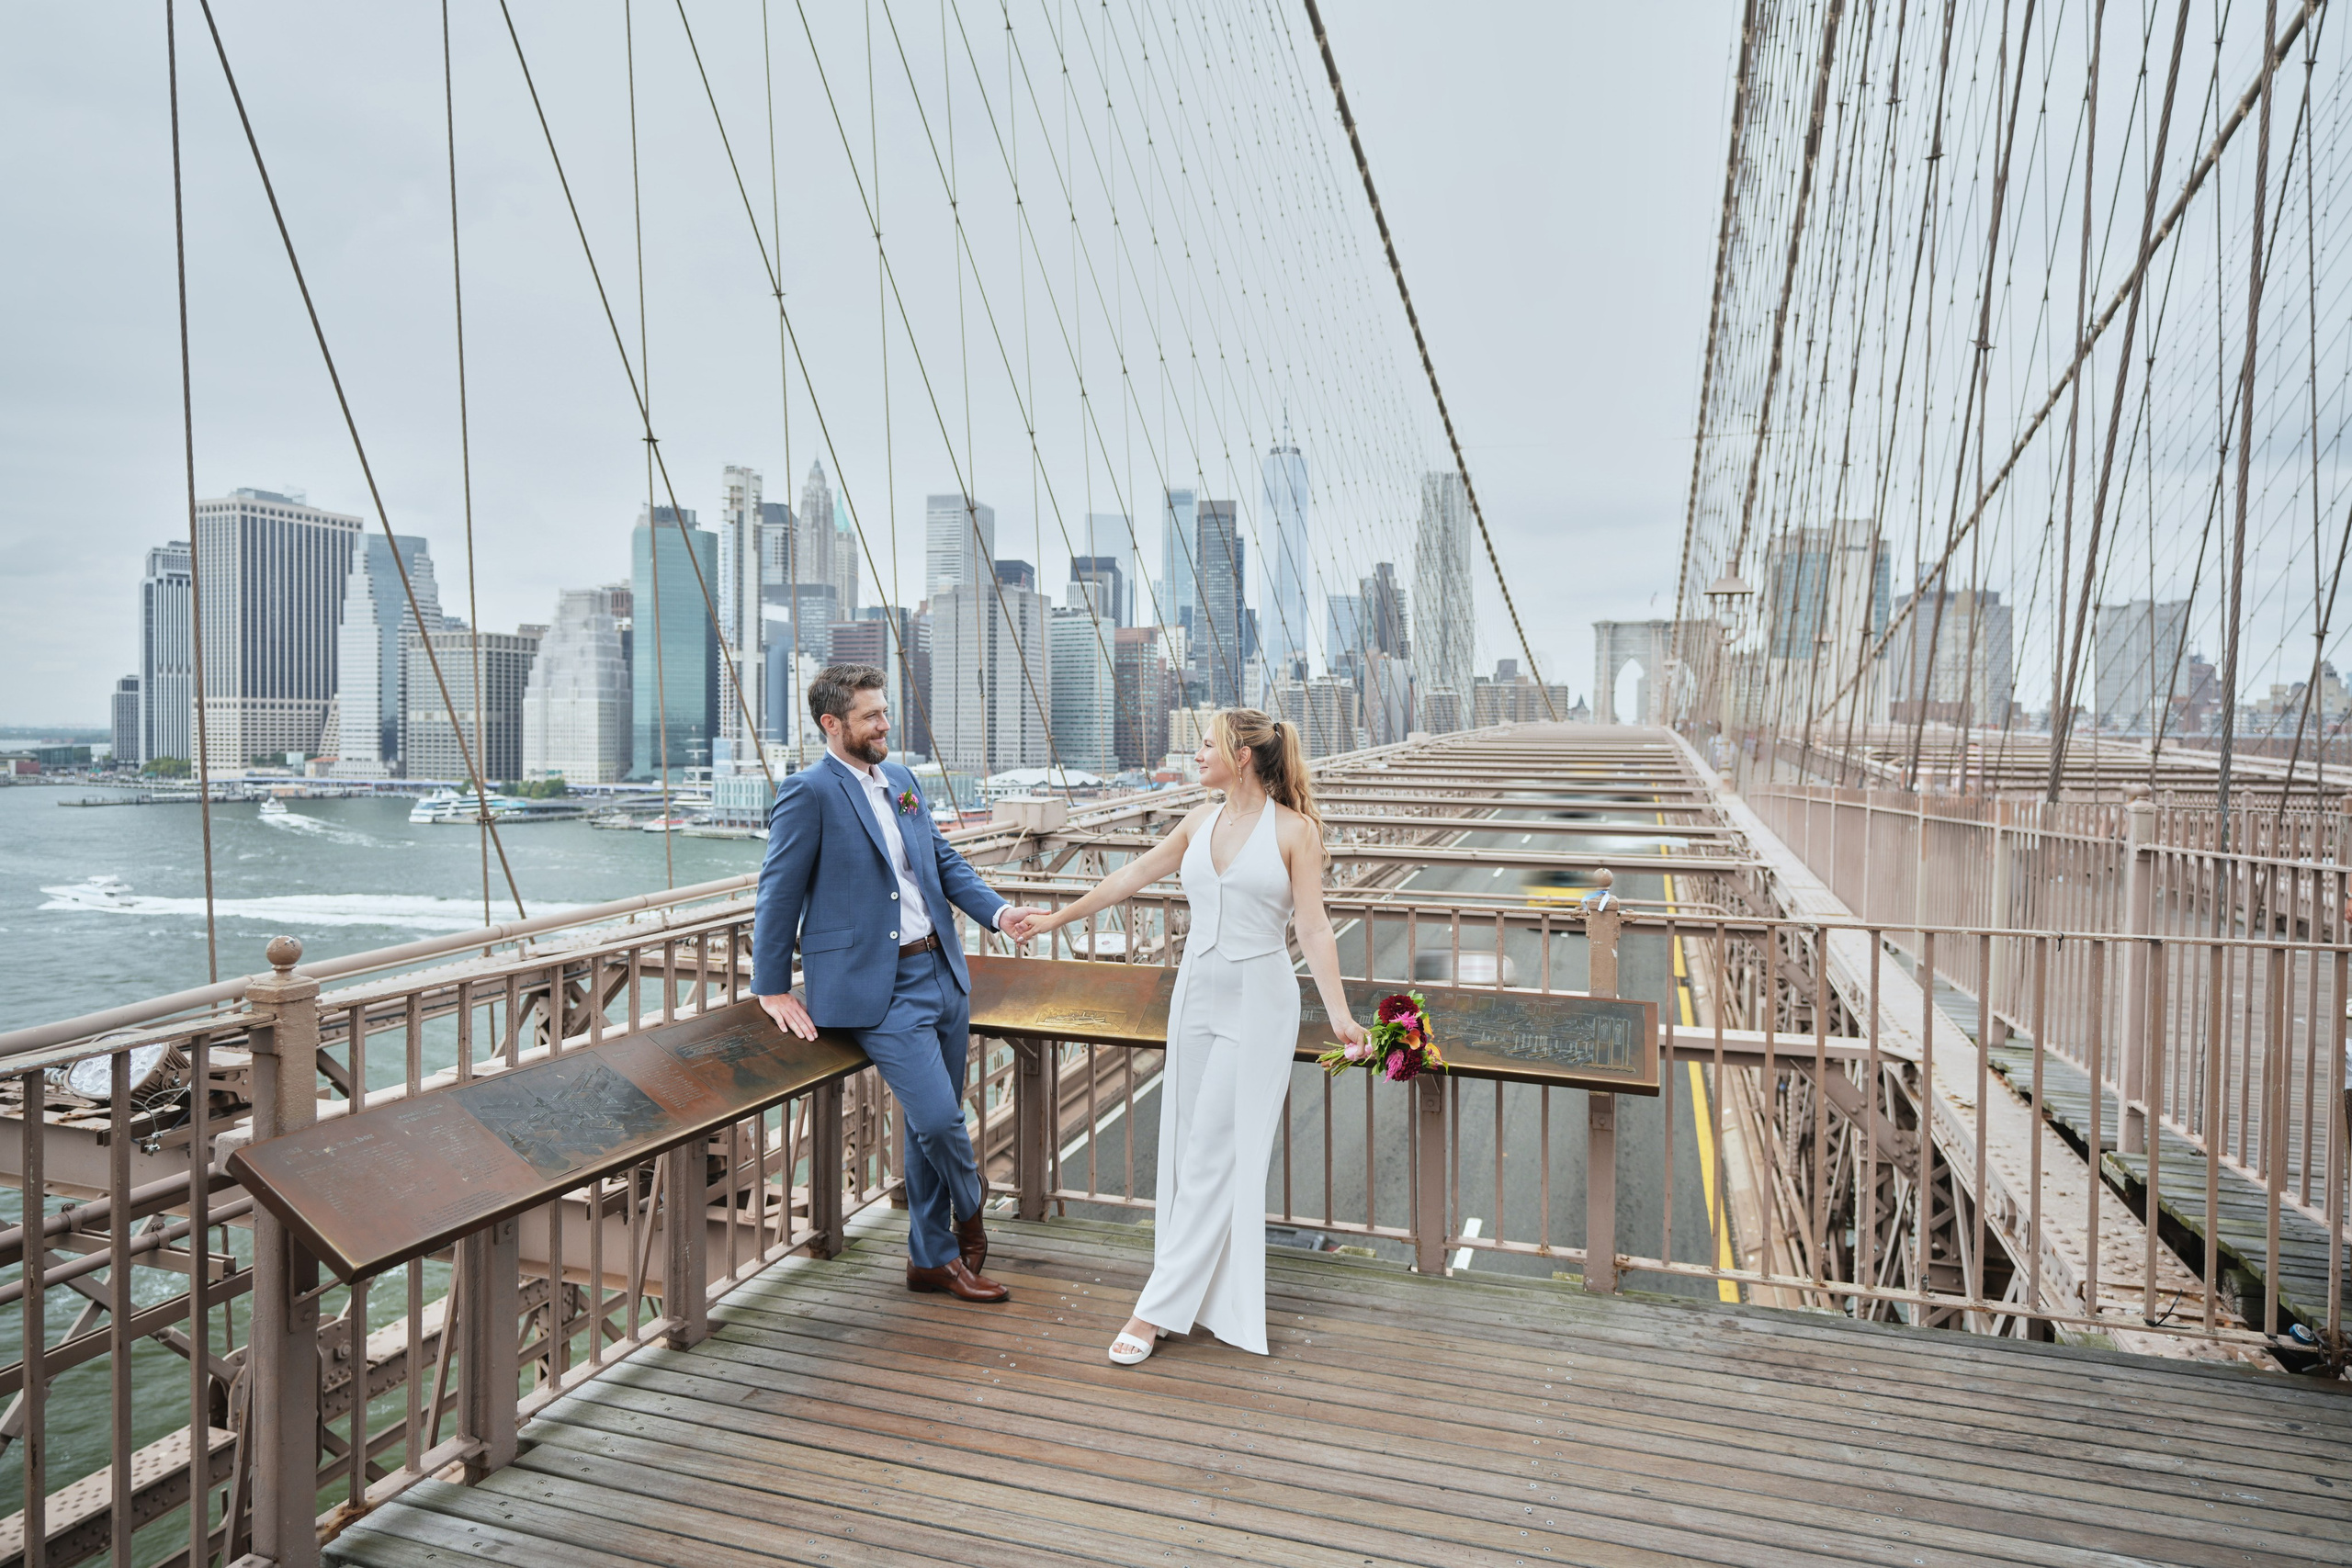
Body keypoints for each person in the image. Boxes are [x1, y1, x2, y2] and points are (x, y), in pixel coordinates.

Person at [1017, 707, 1365, 1362]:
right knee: (1189, 1150)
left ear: (1241, 756)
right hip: (1197, 992)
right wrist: (1053, 917)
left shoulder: (1296, 831)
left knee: (1212, 1149)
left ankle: (1152, 1311)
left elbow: (1314, 929)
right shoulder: (1198, 820)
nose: (1194, 754)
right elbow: (1129, 877)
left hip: (1259, 1000)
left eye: (1205, 745)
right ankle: (1197, 1295)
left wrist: (1341, 1014)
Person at [752, 664, 1050, 1303]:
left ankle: (931, 1258)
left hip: (942, 968)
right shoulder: (809, 791)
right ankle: (971, 1211)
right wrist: (770, 984)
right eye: (870, 716)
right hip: (877, 990)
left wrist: (998, 912)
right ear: (833, 724)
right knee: (942, 1119)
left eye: (885, 712)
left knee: (925, 1128)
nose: (885, 725)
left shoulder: (904, 780)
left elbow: (938, 860)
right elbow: (776, 891)